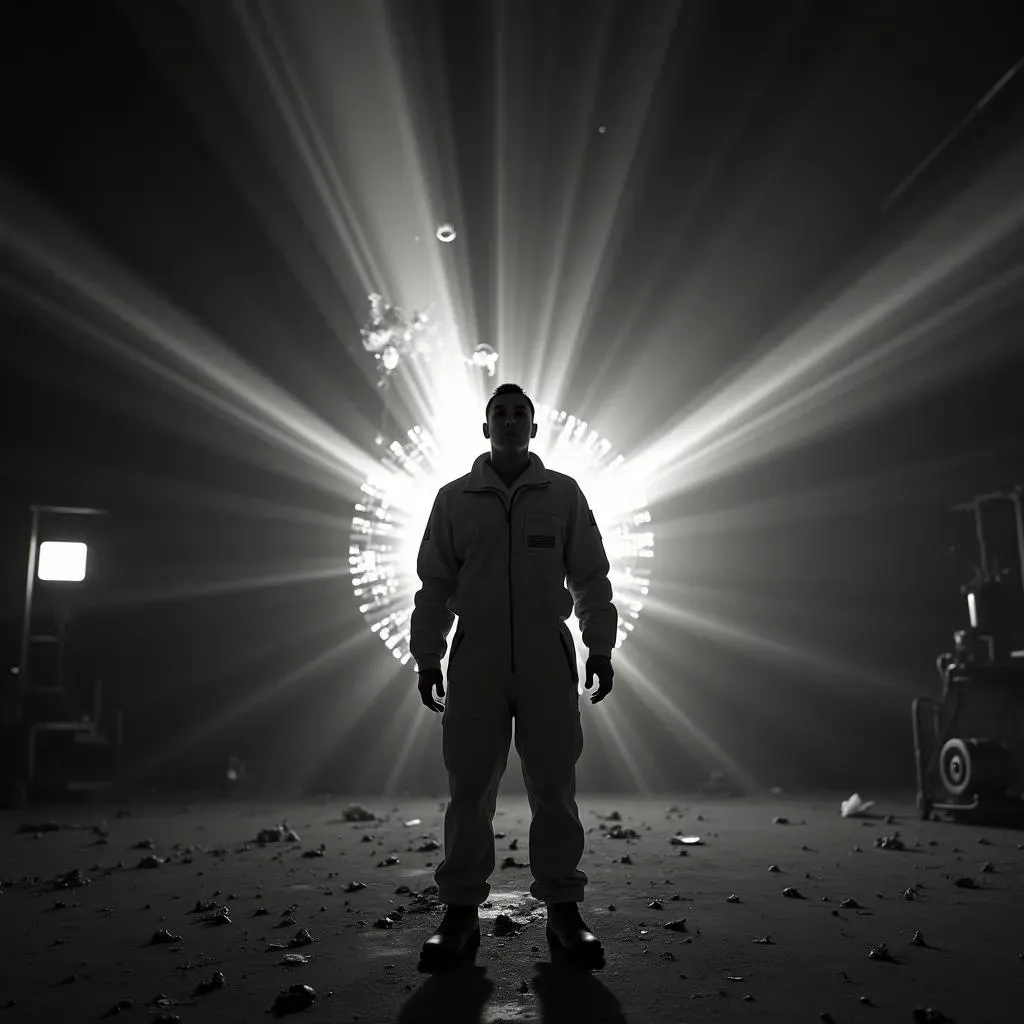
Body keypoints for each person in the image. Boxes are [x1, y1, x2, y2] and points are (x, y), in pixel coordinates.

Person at [411, 382, 617, 970]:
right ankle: (457, 915)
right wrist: (428, 657)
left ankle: (563, 912)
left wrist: (598, 647)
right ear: (484, 429)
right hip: (474, 658)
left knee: (554, 786)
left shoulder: (563, 496)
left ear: (532, 427)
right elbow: (435, 587)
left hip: (545, 659)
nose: (508, 420)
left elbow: (590, 578)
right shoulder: (454, 500)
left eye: (518, 413)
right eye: (498, 413)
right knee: (470, 788)